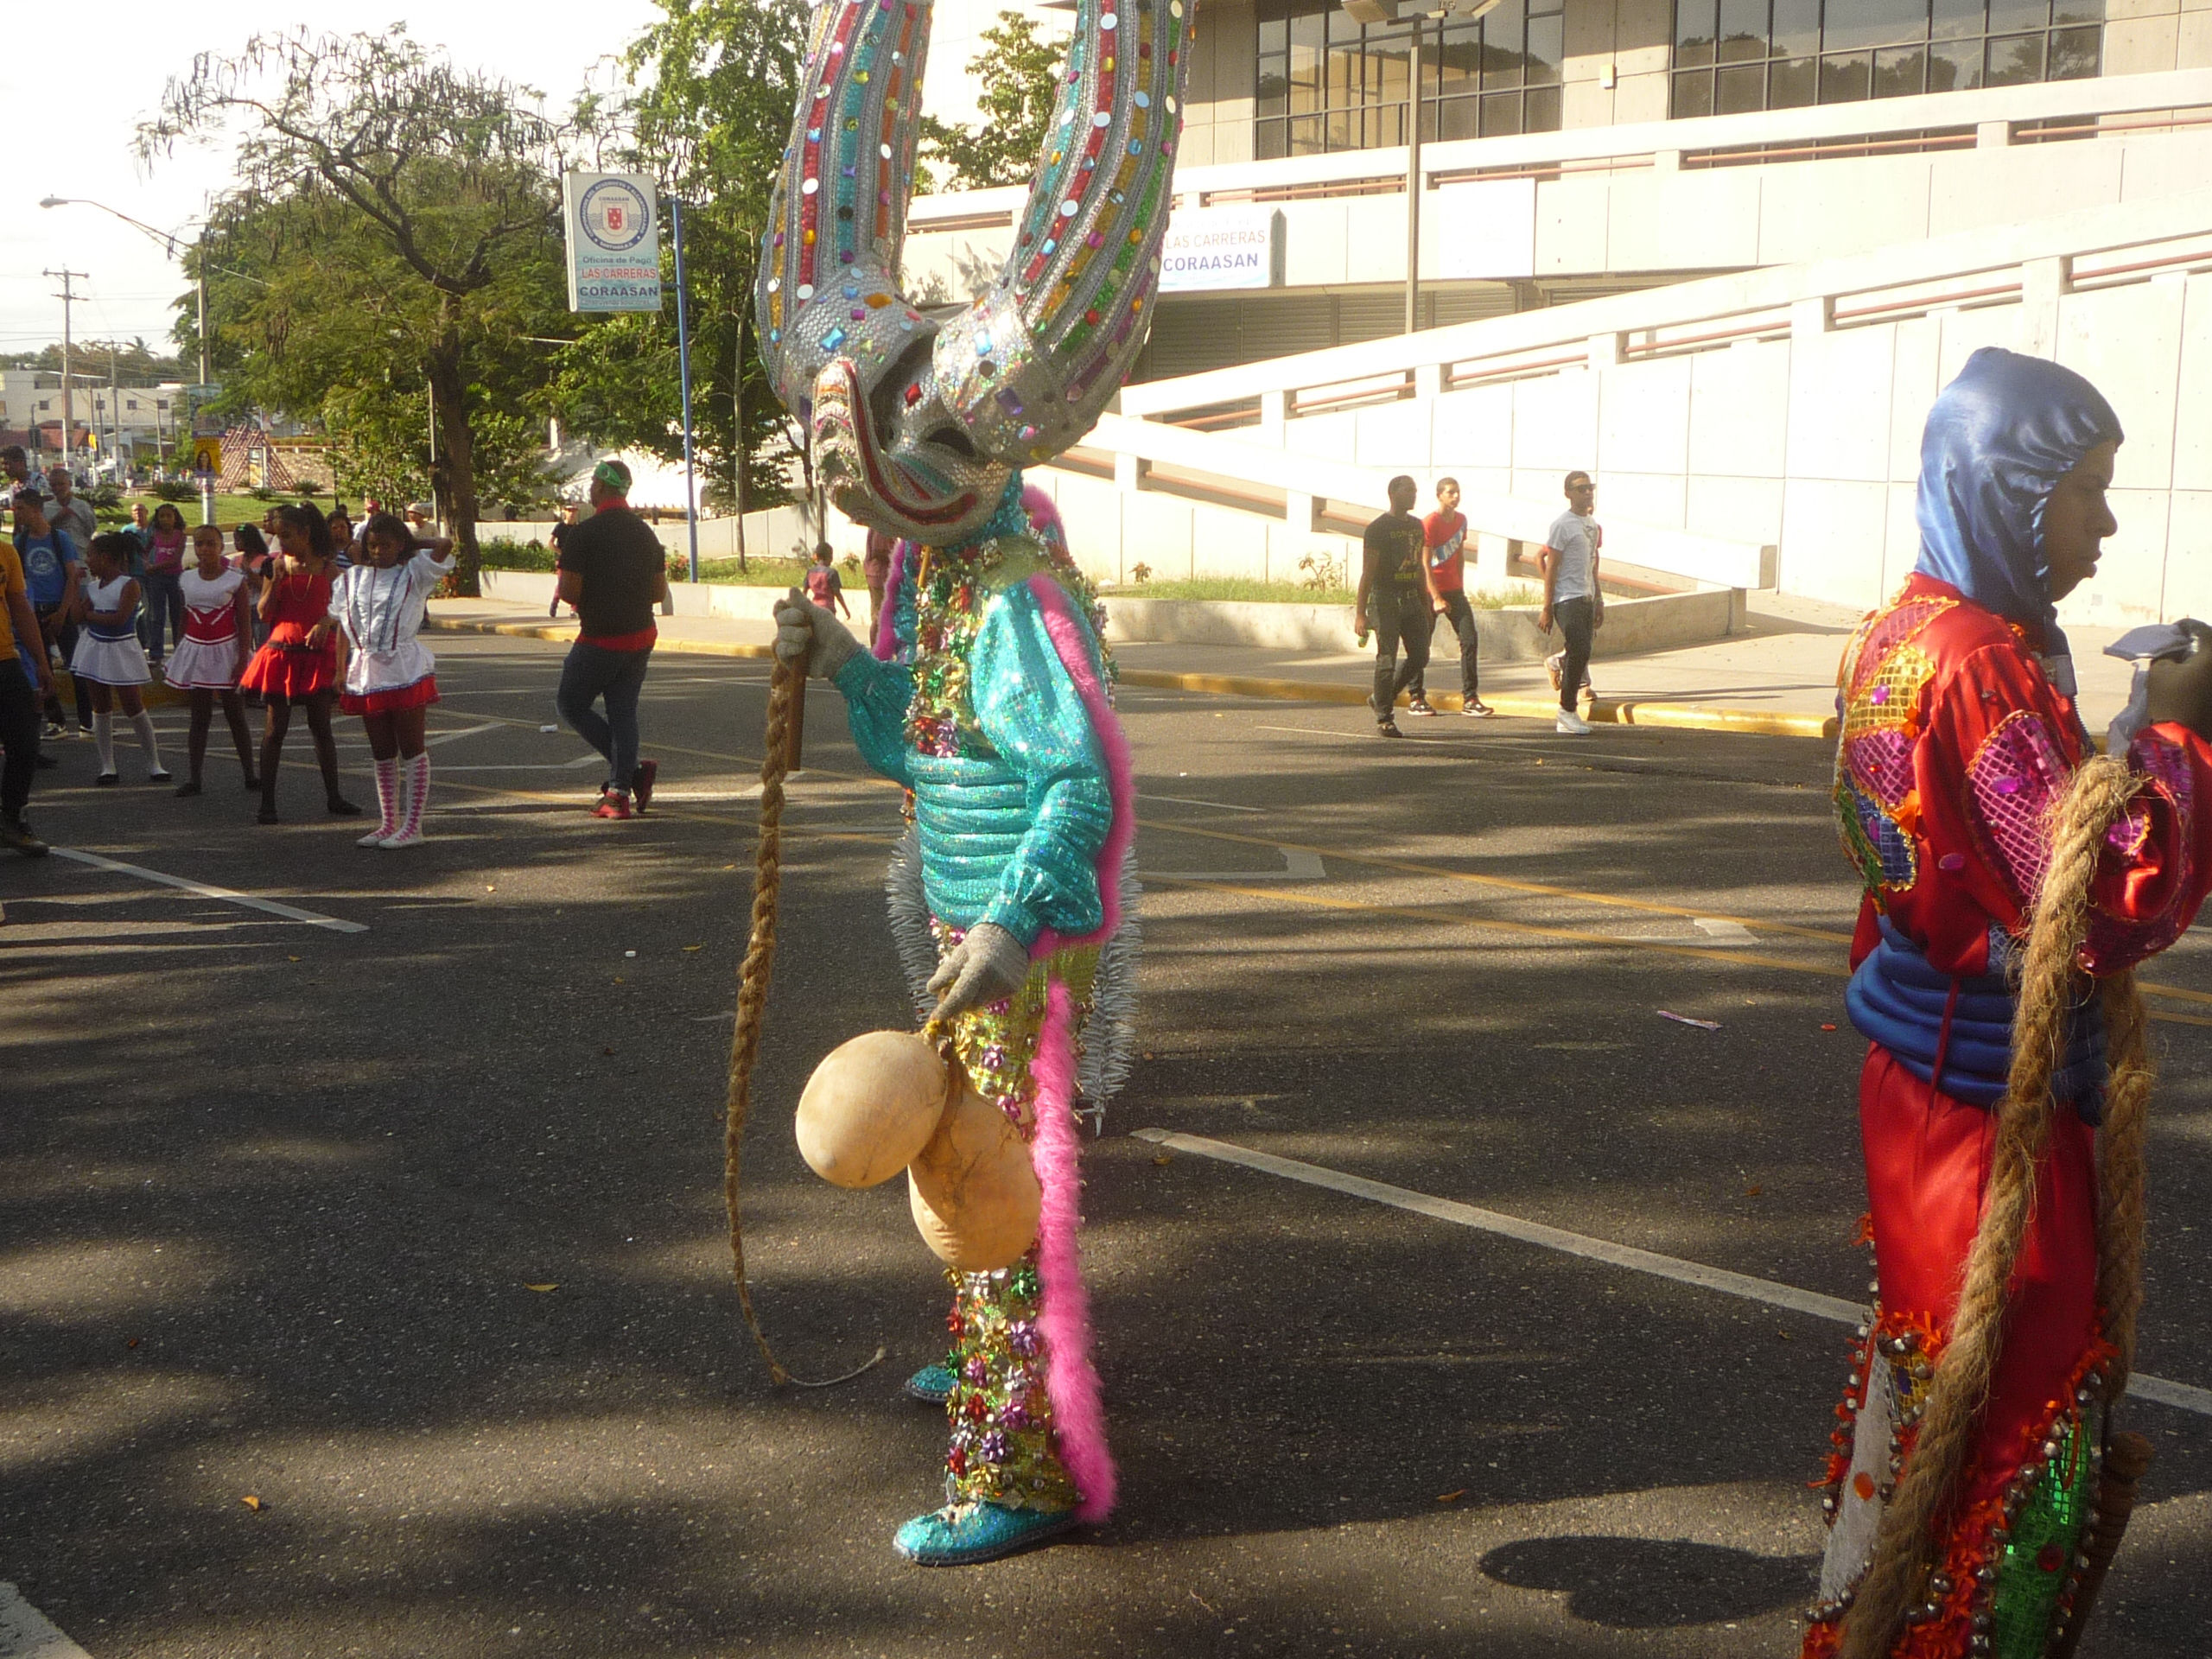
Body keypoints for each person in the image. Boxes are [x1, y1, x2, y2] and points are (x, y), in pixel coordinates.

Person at [1802, 349, 2212, 1659]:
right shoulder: (1978, 662)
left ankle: (1875, 1614)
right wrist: (2185, 740)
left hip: (1926, 1072)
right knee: (2014, 1396)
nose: (2103, 526)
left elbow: (1984, 850)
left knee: (1933, 1376)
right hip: (1986, 1102)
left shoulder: (1904, 632)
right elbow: (2098, 901)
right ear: (2006, 492)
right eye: (2085, 493)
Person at [774, 484, 1137, 1567]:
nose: (875, 496)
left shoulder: (1014, 595)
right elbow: (931, 748)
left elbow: (1076, 783)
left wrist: (1012, 921)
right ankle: (989, 1357)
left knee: (991, 1196)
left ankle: (1022, 1468)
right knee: (965, 1167)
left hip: (1000, 940)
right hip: (965, 927)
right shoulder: (943, 579)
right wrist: (842, 656)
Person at [333, 512, 454, 849]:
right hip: (367, 668)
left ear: (400, 545)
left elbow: (445, 545)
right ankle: (389, 823)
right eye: (372, 545)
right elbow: (343, 624)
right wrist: (341, 670)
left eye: (386, 545)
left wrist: (413, 545)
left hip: (403, 666)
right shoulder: (352, 578)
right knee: (381, 750)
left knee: (411, 747)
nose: (378, 552)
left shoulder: (414, 572)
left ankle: (414, 826)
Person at [554, 460, 666, 821]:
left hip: (601, 638)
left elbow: (569, 590)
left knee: (571, 704)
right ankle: (619, 791)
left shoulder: (583, 533)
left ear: (600, 488)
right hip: (641, 635)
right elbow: (657, 593)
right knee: (623, 712)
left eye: (593, 485)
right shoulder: (646, 533)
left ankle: (630, 776)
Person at [239, 501, 359, 823]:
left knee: (321, 728)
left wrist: (326, 621)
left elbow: (346, 611)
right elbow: (264, 613)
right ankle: (267, 803)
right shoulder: (277, 567)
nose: (283, 544)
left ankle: (334, 796)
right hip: (282, 651)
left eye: (288, 536)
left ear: (306, 533)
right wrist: (276, 581)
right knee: (274, 729)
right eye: (279, 537)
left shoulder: (330, 570)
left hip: (317, 656)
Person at [164, 524, 260, 798]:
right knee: (199, 716)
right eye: (199, 544)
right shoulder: (187, 579)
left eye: (210, 544)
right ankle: (194, 778)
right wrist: (182, 650)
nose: (204, 549)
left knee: (235, 714)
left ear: (221, 547)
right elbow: (183, 618)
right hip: (197, 651)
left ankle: (250, 774)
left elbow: (244, 624)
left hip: (225, 651)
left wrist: (242, 660)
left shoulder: (234, 580)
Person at [67, 533, 168, 785]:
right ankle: (107, 766)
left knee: (133, 704)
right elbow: (77, 617)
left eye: (90, 555)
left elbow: (118, 619)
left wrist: (90, 615)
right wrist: (71, 585)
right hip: (95, 648)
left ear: (105, 558)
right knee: (100, 707)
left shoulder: (129, 584)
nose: (87, 560)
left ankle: (154, 763)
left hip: (121, 648)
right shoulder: (92, 587)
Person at [1408, 477, 1492, 718]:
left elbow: (1459, 556)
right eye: (1451, 493)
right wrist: (1435, 597)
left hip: (1454, 591)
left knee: (1469, 639)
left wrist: (1460, 585)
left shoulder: (1461, 521)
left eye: (1458, 492)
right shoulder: (1429, 523)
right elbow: (1424, 563)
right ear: (1440, 496)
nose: (1456, 497)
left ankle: (1470, 698)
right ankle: (1415, 696)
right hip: (1429, 592)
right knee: (1421, 644)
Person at [1353, 475, 1428, 738]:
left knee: (1420, 655)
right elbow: (1368, 573)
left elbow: (1418, 566)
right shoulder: (1378, 528)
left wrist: (1425, 599)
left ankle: (1381, 696)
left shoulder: (1418, 526)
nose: (1414, 495)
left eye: (1415, 490)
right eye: (1409, 490)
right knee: (1387, 658)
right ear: (1393, 493)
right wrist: (1361, 613)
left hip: (1411, 599)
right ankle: (1385, 717)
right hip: (1385, 599)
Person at [10, 491, 88, 741]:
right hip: (34, 611)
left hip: (59, 609)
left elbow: (72, 578)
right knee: (41, 668)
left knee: (75, 665)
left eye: (21, 508)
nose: (17, 513)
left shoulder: (59, 539)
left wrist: (62, 612)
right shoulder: (20, 543)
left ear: (36, 509)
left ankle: (88, 721)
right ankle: (56, 721)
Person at [0, 522, 54, 854]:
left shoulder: (6, 552)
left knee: (25, 743)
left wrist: (41, 662)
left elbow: (20, 608)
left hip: (5, 660)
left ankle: (12, 818)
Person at [1538, 471, 1603, 736]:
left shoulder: (1590, 523)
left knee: (1582, 651)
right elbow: (1551, 567)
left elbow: (1593, 565)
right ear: (1568, 493)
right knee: (1579, 649)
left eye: (1590, 488)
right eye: (1581, 489)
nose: (1587, 492)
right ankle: (1566, 711)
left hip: (1586, 596)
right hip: (1567, 598)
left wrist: (1598, 599)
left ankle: (1566, 708)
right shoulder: (1562, 525)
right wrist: (1547, 606)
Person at [140, 502, 191, 668]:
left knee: (177, 615)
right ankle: (156, 653)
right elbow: (145, 550)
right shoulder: (155, 535)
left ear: (175, 518)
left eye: (169, 516)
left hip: (175, 577)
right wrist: (146, 563)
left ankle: (179, 652)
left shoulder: (180, 536)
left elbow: (175, 560)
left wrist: (153, 567)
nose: (165, 520)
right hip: (157, 579)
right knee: (157, 615)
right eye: (162, 516)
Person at [43, 467, 96, 555]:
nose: (58, 488)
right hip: (55, 555)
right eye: (53, 485)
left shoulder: (83, 507)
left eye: (61, 484)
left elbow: (91, 529)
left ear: (70, 484)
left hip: (80, 554)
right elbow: (40, 533)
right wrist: (57, 519)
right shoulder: (46, 508)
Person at [548, 501, 587, 618]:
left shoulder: (579, 528)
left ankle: (574, 609)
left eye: (574, 511)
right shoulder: (560, 527)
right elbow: (550, 543)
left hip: (575, 561)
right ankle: (555, 601)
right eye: (569, 511)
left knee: (576, 584)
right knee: (562, 583)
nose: (572, 514)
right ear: (564, 512)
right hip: (563, 561)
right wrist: (561, 552)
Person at [804, 540, 851, 619]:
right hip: (828, 609)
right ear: (829, 556)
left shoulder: (810, 572)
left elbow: (804, 592)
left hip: (814, 609)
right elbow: (838, 594)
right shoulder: (832, 573)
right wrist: (846, 610)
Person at [862, 526, 894, 639]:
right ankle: (876, 647)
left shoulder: (877, 526)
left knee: (881, 613)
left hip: (877, 573)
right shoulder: (881, 527)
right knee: (879, 614)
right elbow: (880, 549)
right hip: (878, 574)